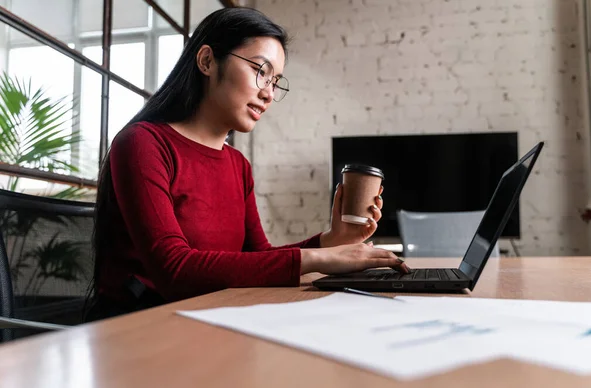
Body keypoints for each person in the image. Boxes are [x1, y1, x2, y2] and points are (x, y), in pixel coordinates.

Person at [85, 7, 408, 321]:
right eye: (260, 71)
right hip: (147, 328)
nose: (268, 93)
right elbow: (174, 269)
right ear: (208, 61)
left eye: (275, 80)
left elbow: (256, 257)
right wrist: (318, 258)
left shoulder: (237, 164)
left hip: (215, 315)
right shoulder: (143, 143)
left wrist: (332, 239)